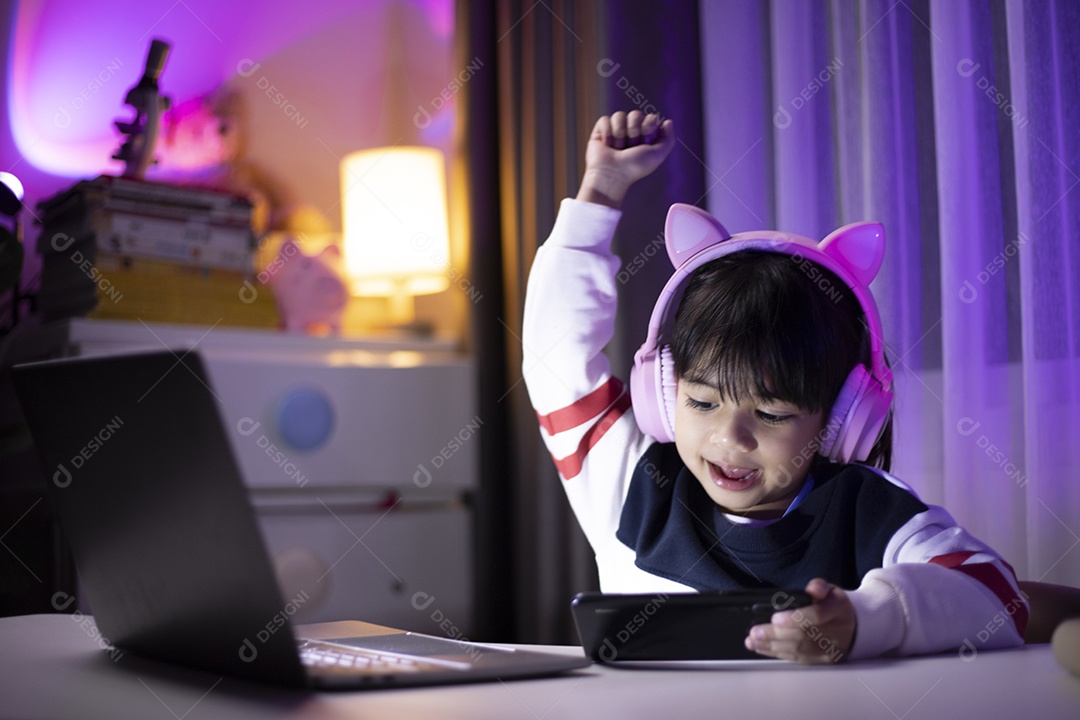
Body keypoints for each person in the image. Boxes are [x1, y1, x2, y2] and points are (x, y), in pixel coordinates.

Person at [522, 110, 1027, 663]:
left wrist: (866, 620)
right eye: (702, 402)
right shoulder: (629, 483)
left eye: (772, 414)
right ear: (662, 395)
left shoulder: (868, 512)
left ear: (840, 417)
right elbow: (555, 357)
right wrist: (602, 190)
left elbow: (998, 595)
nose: (730, 438)